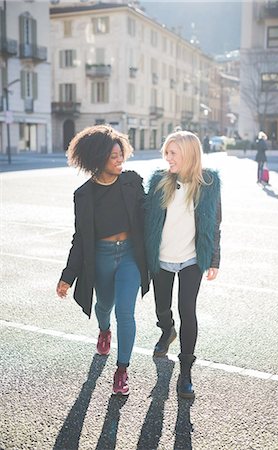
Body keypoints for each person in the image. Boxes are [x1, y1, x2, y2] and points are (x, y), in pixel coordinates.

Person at [56, 124, 149, 396]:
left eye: (121, 154)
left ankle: (122, 371)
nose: (120, 160)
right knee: (104, 306)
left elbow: (150, 214)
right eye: (114, 156)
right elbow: (80, 238)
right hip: (102, 257)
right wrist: (67, 276)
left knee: (125, 312)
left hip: (130, 255)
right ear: (98, 159)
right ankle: (104, 330)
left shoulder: (131, 182)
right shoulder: (84, 195)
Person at [145, 130, 222, 399]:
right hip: (162, 259)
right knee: (162, 308)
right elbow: (145, 218)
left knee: (187, 310)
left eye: (173, 152)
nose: (167, 158)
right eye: (166, 152)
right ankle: (167, 330)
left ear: (189, 154)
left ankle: (186, 373)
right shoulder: (159, 181)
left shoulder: (209, 183)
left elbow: (214, 224)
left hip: (191, 259)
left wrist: (214, 259)